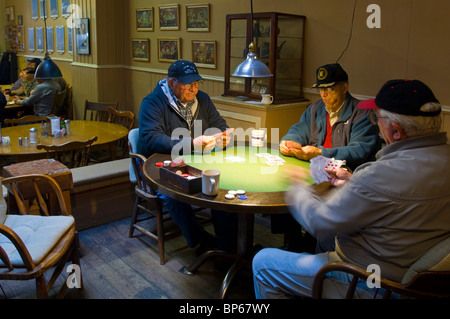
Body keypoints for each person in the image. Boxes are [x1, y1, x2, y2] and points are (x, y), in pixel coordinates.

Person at [252, 79, 450, 299]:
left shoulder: (378, 175)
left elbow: (320, 222)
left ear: (395, 131)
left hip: (371, 281)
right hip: (415, 276)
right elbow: (395, 196)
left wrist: (298, 185)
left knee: (263, 263)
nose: (375, 123)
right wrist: (353, 180)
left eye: (377, 118)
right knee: (327, 241)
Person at [273, 63, 381, 253]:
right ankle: (294, 242)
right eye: (321, 89)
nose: (324, 94)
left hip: (343, 176)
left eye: (329, 89)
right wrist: (289, 141)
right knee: (285, 185)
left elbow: (358, 151)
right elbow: (299, 130)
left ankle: (317, 248)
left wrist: (320, 153)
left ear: (344, 87)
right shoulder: (315, 109)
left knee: (304, 193)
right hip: (315, 169)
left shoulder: (362, 114)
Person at [138, 59, 237, 253]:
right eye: (188, 85)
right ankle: (200, 241)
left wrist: (223, 137)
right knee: (174, 195)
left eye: (196, 84)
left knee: (223, 187)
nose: (194, 90)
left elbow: (219, 125)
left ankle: (228, 249)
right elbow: (152, 139)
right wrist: (191, 143)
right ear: (171, 83)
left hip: (198, 160)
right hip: (162, 165)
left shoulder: (203, 99)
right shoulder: (152, 102)